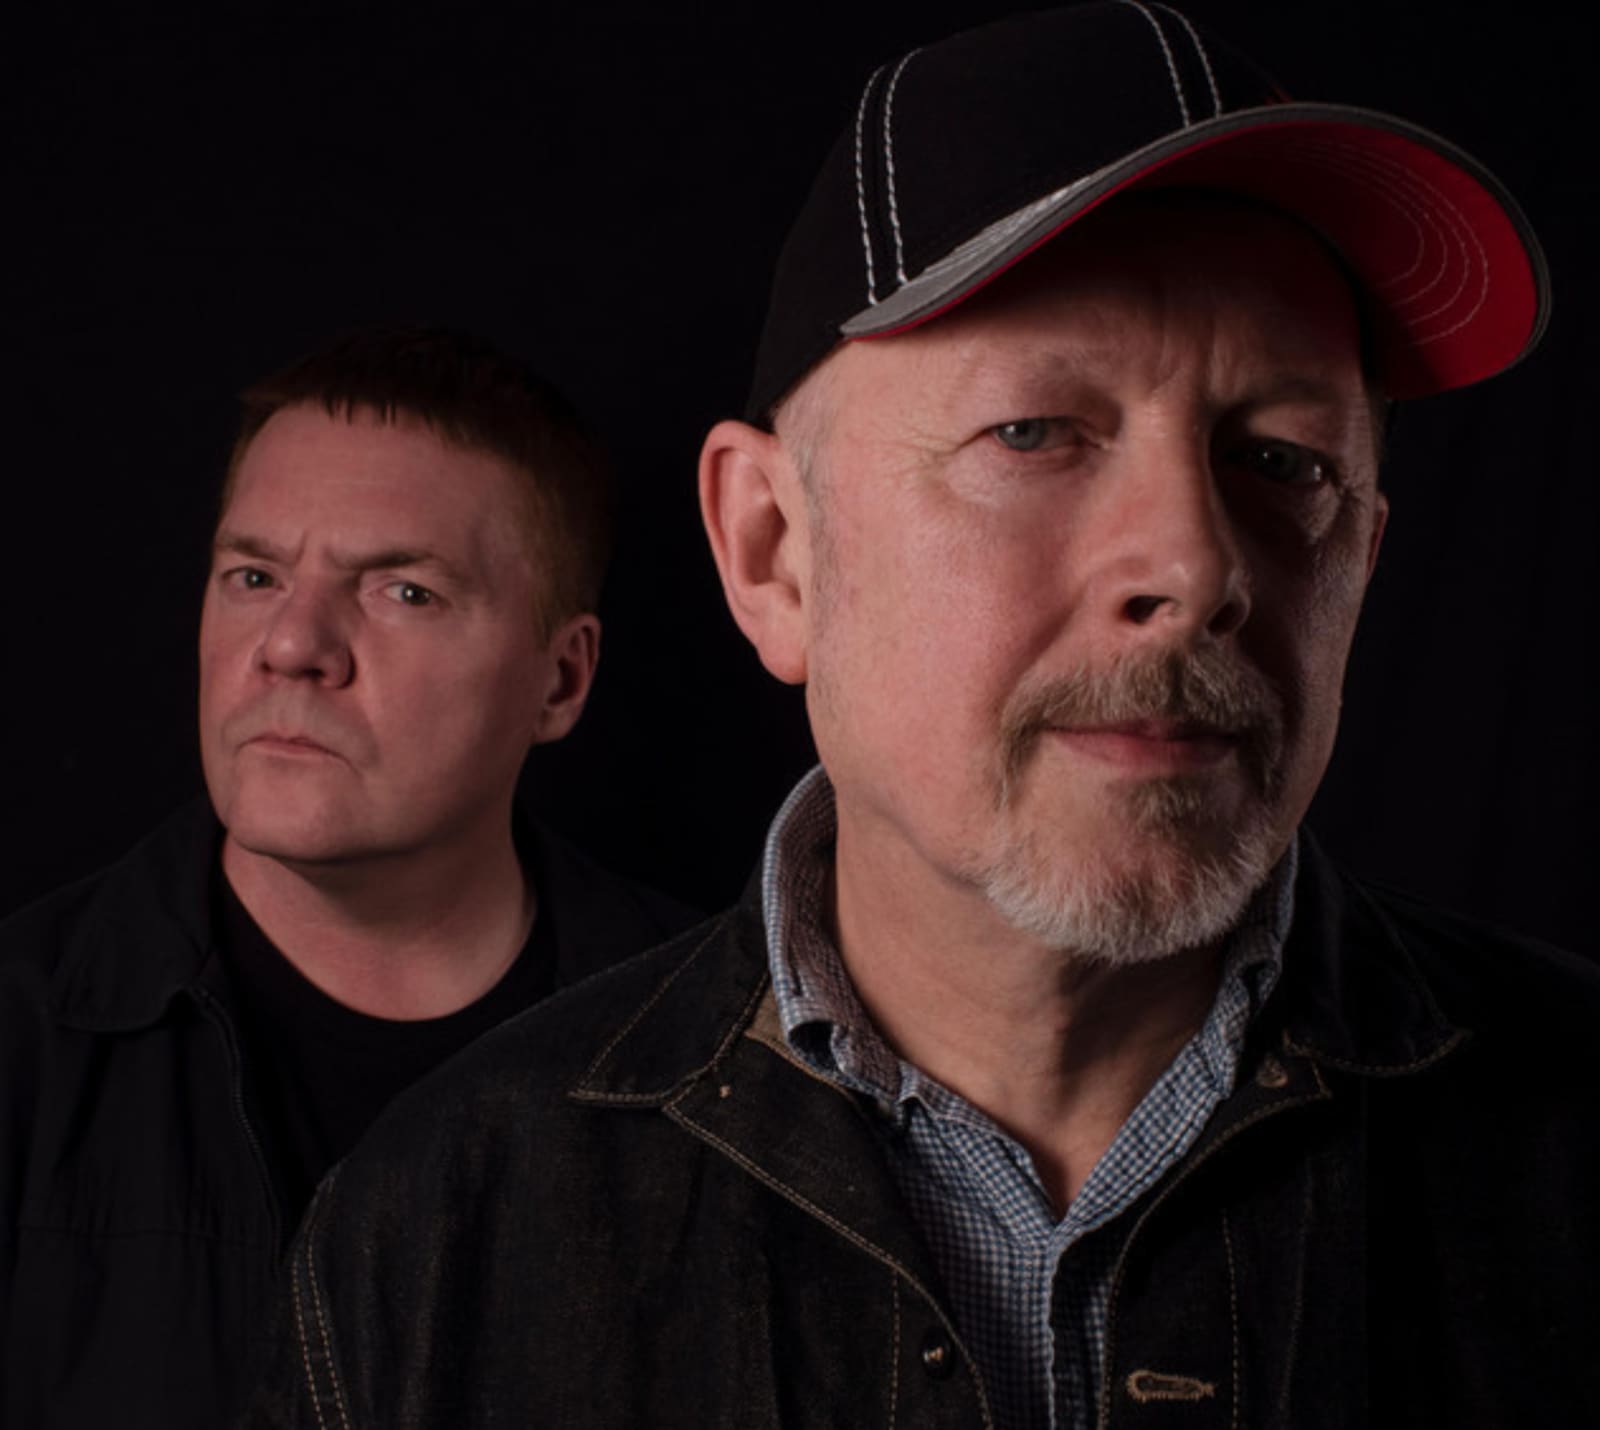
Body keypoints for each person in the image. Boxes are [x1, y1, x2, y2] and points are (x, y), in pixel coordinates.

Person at [240, 9, 1598, 1429]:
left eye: (1282, 458)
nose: (1196, 566)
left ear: (1363, 556)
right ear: (773, 551)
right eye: (1034, 432)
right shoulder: (433, 1245)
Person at [0, 325, 698, 1429]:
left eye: (403, 592)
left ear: (560, 681)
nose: (291, 644)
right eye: (254, 576)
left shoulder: (726, 1052)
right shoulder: (21, 1048)